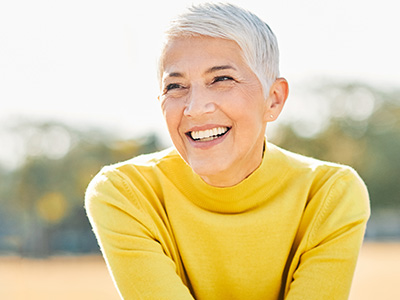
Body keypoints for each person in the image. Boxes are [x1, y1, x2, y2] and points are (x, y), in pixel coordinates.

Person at [85, 3, 370, 299]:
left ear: (273, 99)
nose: (195, 108)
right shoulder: (125, 193)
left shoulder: (329, 194)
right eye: (175, 86)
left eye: (221, 79)